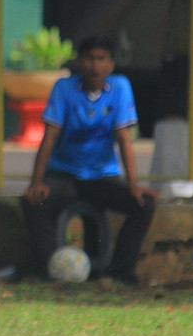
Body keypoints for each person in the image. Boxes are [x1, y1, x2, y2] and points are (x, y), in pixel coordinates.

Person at [21, 36, 158, 284]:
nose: (95, 66)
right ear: (80, 63)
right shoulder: (64, 88)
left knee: (144, 205)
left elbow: (124, 139)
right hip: (65, 174)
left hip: (102, 176)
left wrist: (133, 185)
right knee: (33, 202)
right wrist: (37, 181)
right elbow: (49, 137)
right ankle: (51, 269)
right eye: (89, 58)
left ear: (111, 65)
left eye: (101, 59)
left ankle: (120, 273)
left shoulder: (119, 88)